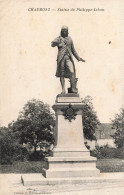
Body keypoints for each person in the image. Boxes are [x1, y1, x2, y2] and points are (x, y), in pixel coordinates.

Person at [51, 26, 85, 94]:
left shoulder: (70, 39)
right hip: (61, 58)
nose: (64, 32)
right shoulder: (59, 38)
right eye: (63, 31)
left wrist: (79, 58)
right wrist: (58, 43)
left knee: (72, 72)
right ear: (61, 31)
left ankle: (72, 88)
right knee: (62, 74)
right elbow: (52, 44)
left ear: (67, 31)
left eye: (66, 31)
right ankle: (63, 89)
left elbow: (73, 50)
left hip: (68, 58)